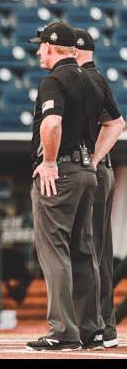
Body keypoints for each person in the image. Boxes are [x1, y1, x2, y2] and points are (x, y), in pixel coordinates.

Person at [25, 21, 118, 351]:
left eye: (41, 46)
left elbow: (52, 122)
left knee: (56, 252)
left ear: (51, 47)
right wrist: (92, 159)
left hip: (60, 172)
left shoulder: (54, 79)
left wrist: (49, 162)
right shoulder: (91, 79)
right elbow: (114, 123)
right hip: (86, 172)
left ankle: (63, 330)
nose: (38, 51)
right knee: (83, 251)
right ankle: (91, 329)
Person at [74, 27, 125, 348]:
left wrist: (93, 159)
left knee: (90, 250)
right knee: (97, 251)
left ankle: (99, 324)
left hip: (92, 171)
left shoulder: (86, 80)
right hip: (97, 172)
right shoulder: (92, 79)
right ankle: (102, 323)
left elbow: (118, 123)